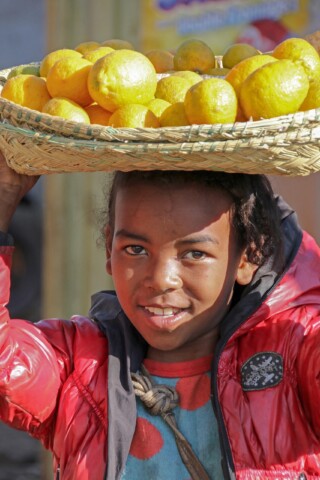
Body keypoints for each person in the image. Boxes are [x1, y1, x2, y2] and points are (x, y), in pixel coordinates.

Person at [0, 150, 320, 480]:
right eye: (136, 250)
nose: (160, 279)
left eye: (194, 253)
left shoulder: (291, 356)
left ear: (248, 256)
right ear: (109, 247)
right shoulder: (78, 367)